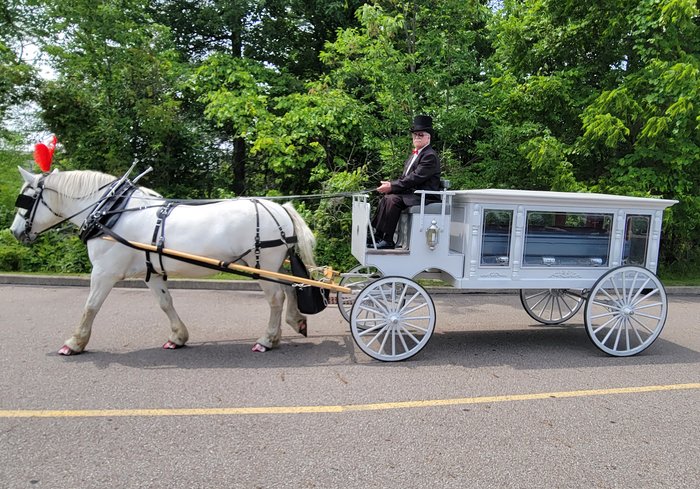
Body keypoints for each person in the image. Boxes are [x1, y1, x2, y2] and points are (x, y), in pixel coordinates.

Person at [368, 115, 442, 250]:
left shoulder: (429, 156)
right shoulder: (414, 155)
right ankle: (378, 235)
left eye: (421, 134)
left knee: (393, 200)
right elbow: (405, 178)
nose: (417, 137)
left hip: (424, 196)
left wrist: (392, 186)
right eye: (415, 135)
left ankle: (388, 239)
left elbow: (414, 178)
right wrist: (391, 185)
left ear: (428, 137)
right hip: (413, 193)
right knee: (386, 198)